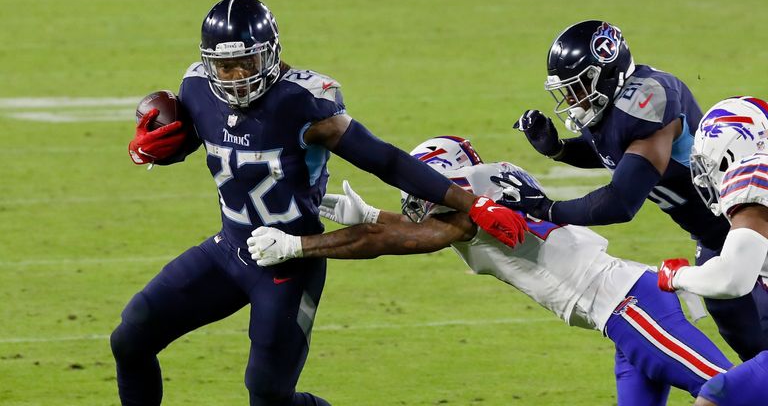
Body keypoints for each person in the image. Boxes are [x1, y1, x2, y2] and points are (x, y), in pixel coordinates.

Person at [113, 0, 527, 406]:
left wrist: (470, 204)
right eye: (225, 67)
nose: (236, 77)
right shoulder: (197, 89)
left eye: (246, 64)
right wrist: (159, 148)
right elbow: (205, 138)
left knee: (269, 395)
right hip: (229, 251)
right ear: (208, 64)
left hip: (290, 265)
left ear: (271, 54)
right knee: (130, 338)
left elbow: (386, 160)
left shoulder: (304, 103)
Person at [247, 136, 733, 405]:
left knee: (730, 392)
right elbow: (432, 226)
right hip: (619, 317)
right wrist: (372, 215)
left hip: (630, 307)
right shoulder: (484, 189)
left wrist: (301, 245)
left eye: (431, 193)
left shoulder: (471, 208)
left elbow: (422, 236)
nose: (425, 206)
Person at [502, 19, 768, 360]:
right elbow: (620, 156)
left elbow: (620, 201)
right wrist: (561, 151)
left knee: (746, 319)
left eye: (579, 87)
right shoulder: (618, 107)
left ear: (607, 71)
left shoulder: (648, 101)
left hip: (749, 220)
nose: (572, 98)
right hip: (713, 236)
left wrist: (547, 209)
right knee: (750, 345)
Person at [653, 96, 768, 405]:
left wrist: (677, 276)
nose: (702, 172)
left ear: (730, 149)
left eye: (707, 158)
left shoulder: (754, 175)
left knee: (716, 397)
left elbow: (732, 280)